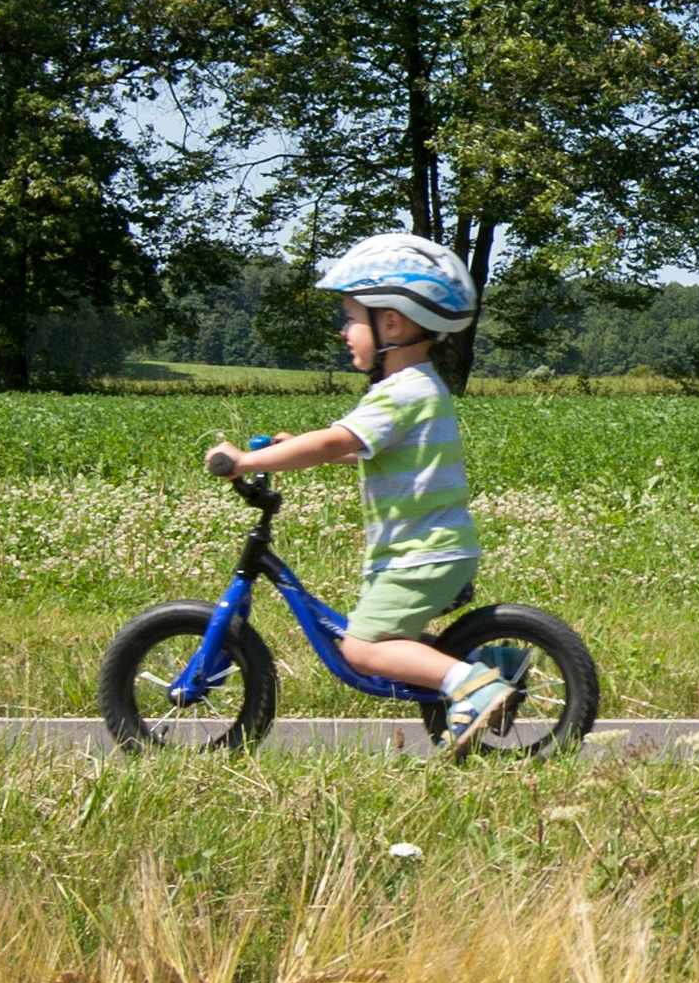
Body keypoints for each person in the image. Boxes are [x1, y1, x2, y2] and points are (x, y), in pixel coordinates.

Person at [203, 233, 526, 758]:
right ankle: (491, 670)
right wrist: (302, 448)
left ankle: (477, 686)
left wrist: (246, 461)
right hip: (428, 548)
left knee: (362, 646)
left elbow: (338, 439)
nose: (343, 330)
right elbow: (368, 450)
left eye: (351, 317)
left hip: (422, 554)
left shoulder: (401, 391)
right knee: (381, 640)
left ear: (391, 323)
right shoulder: (418, 386)